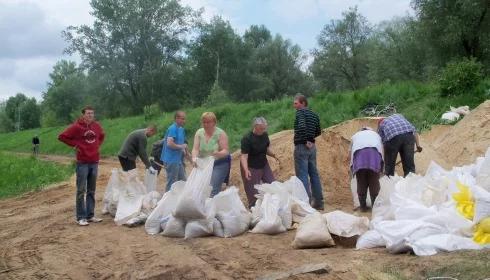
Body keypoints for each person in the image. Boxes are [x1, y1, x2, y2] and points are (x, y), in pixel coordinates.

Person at [58, 106, 105, 226]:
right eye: (88, 113)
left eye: (92, 113)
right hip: (82, 162)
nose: (90, 115)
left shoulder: (96, 126)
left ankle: (90, 215)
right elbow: (62, 137)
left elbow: (102, 136)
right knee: (81, 190)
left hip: (94, 161)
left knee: (91, 190)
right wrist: (76, 145)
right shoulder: (76, 127)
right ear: (83, 115)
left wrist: (96, 146)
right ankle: (80, 217)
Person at [293, 94, 324, 210]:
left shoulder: (300, 113)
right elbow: (318, 131)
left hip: (302, 146)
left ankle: (306, 204)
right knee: (314, 174)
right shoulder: (315, 115)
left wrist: (306, 140)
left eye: (296, 103)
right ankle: (319, 203)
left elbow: (301, 127)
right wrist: (311, 140)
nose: (294, 105)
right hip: (312, 148)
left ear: (303, 103)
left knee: (302, 175)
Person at [240, 117, 279, 208]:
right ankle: (254, 209)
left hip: (263, 164)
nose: (263, 130)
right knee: (253, 191)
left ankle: (272, 205)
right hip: (251, 166)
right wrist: (246, 170)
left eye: (264, 128)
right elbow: (244, 156)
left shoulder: (265, 135)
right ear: (255, 127)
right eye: (261, 128)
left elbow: (266, 149)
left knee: (272, 184)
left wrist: (274, 155)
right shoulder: (247, 139)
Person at [191, 112, 231, 197]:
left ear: (214, 122)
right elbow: (195, 148)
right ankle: (201, 207)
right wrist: (194, 158)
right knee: (200, 187)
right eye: (204, 122)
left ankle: (211, 207)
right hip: (204, 163)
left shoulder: (220, 133)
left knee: (213, 187)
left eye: (208, 122)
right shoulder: (199, 133)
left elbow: (226, 151)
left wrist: (218, 153)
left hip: (219, 163)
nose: (206, 124)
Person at [350, 127, 384, 212]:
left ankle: (363, 207)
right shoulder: (376, 135)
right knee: (374, 181)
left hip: (359, 158)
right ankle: (374, 206)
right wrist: (382, 165)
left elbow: (350, 152)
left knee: (361, 181)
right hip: (374, 156)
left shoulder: (355, 135)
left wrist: (351, 166)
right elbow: (382, 150)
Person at [162, 111, 190, 192]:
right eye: (182, 119)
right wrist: (181, 147)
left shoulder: (181, 129)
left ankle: (180, 200)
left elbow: (183, 144)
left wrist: (189, 158)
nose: (184, 121)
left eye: (185, 119)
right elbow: (169, 143)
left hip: (178, 160)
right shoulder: (172, 128)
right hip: (171, 159)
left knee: (183, 180)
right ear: (176, 119)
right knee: (172, 182)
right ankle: (166, 202)